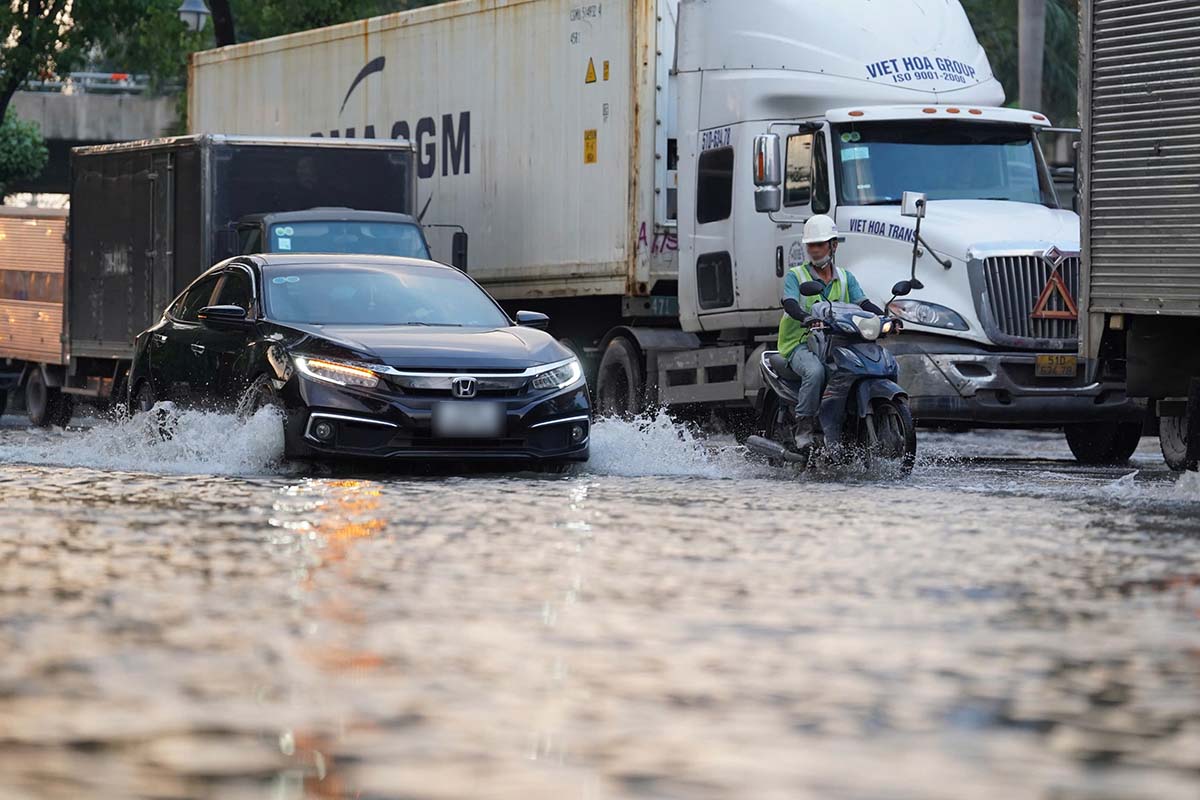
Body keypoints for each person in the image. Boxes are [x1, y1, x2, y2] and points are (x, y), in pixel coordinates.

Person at [777, 214, 883, 449]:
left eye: (820, 244)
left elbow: (863, 303)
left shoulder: (846, 277)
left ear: (833, 245)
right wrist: (806, 318)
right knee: (815, 372)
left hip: (837, 343)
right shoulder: (797, 276)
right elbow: (790, 303)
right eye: (811, 245)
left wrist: (885, 318)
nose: (814, 250)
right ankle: (803, 429)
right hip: (800, 342)